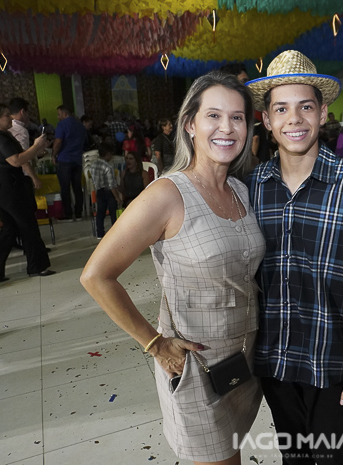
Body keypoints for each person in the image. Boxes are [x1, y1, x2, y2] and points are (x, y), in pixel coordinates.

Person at [81, 71, 263, 465]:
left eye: (237, 117)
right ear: (190, 124)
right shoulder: (167, 194)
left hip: (242, 360)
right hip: (195, 366)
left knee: (233, 452)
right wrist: (154, 343)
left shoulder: (242, 190)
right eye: (213, 115)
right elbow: (96, 276)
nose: (227, 128)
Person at [245, 50, 343, 464]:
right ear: (267, 120)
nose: (294, 119)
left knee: (333, 456)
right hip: (275, 359)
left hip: (333, 359)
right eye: (281, 109)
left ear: (322, 113)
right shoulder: (252, 187)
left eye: (305, 107)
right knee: (294, 456)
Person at [0, 103, 54, 282]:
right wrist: (35, 146)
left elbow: (22, 157)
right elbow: (15, 160)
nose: (10, 118)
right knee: (27, 224)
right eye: (6, 115)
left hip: (2, 184)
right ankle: (36, 266)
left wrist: (37, 150)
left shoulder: (1, 135)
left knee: (10, 228)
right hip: (7, 185)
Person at [52, 105, 85, 221]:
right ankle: (79, 212)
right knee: (77, 187)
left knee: (65, 188)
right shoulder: (80, 125)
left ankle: (68, 214)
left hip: (64, 159)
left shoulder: (62, 125)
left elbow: (58, 142)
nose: (58, 117)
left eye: (59, 114)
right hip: (77, 160)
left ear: (64, 113)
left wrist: (54, 155)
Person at [8, 97, 43, 200]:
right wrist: (34, 177)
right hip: (22, 175)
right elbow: (22, 157)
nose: (29, 116)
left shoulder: (8, 129)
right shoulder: (19, 130)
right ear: (22, 112)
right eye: (28, 113)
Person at [89, 143, 121, 239]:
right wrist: (117, 197)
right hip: (109, 192)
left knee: (100, 213)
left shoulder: (93, 165)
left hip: (99, 191)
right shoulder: (108, 167)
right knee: (113, 213)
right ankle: (116, 233)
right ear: (107, 154)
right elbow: (111, 185)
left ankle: (100, 233)